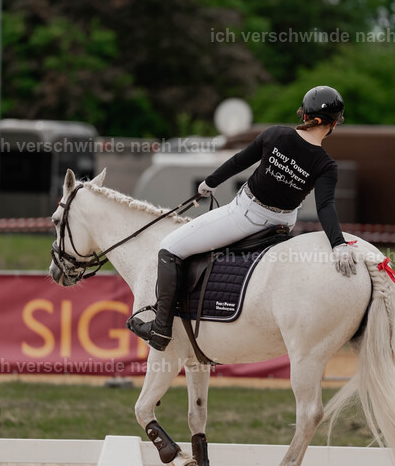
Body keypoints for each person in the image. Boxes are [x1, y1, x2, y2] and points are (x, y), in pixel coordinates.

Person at [128, 85, 357, 349]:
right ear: (333, 124)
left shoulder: (275, 134)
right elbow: (325, 206)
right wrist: (338, 243)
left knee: (169, 248)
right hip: (282, 224)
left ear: (305, 116)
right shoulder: (327, 165)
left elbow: (239, 161)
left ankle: (160, 329)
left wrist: (210, 183)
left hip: (245, 217)